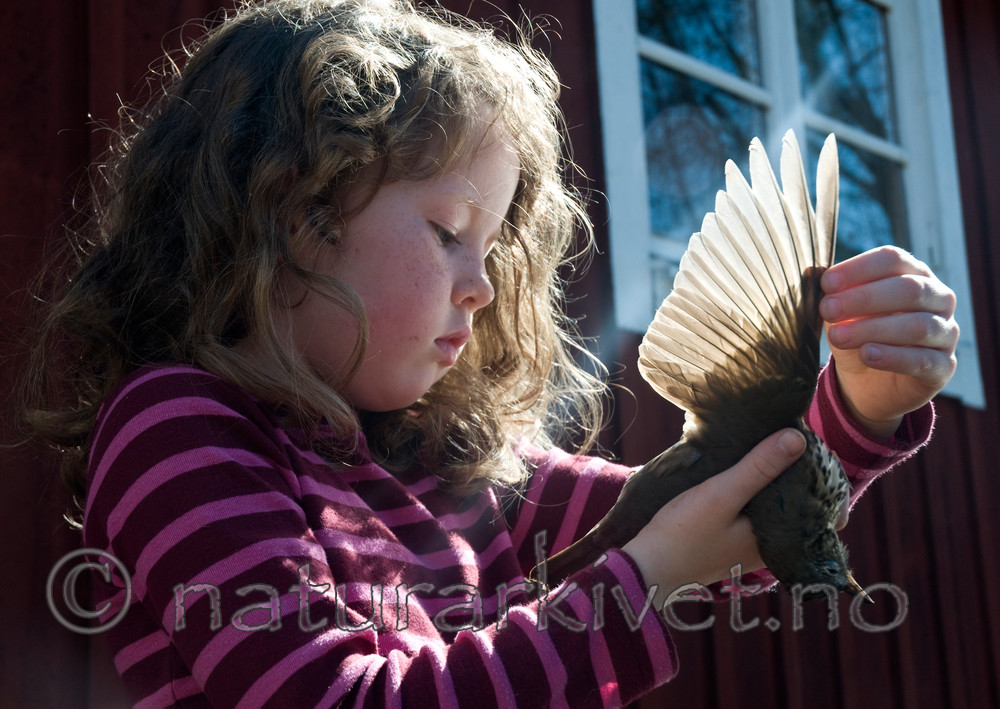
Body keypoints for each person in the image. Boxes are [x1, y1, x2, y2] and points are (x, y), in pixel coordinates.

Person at [25, 0, 958, 706]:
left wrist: (865, 400)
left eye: (493, 244)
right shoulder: (179, 431)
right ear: (297, 213)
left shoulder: (456, 470)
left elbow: (723, 518)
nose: (482, 283)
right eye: (445, 230)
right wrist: (639, 584)